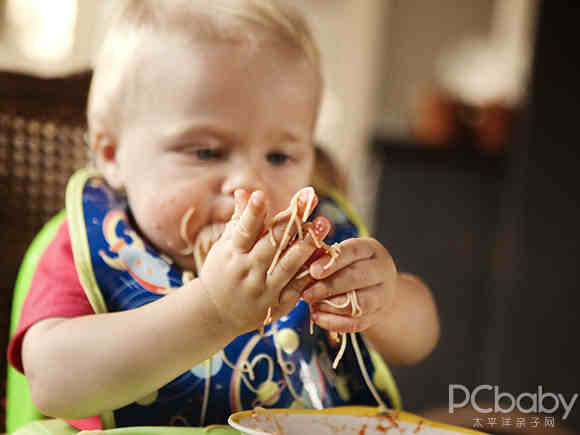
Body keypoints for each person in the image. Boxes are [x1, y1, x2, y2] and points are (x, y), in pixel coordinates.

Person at [7, 0, 439, 432]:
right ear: (111, 153)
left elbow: (421, 338)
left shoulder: (317, 240)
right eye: (207, 151)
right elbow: (51, 382)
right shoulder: (90, 244)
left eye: (280, 156)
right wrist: (213, 310)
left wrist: (384, 300)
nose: (250, 183)